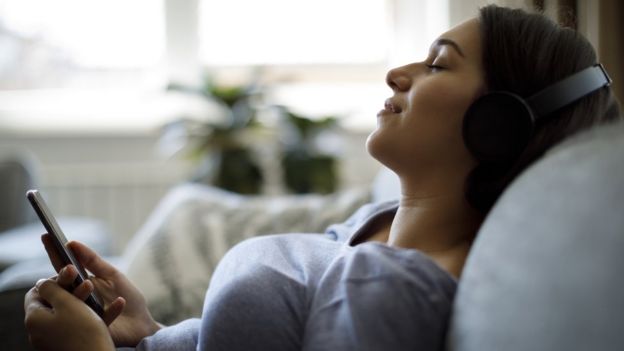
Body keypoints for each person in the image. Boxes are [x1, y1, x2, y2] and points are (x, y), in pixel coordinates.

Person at [23, 5, 621, 351]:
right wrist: (149, 333)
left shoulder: (393, 286)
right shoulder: (375, 227)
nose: (397, 72)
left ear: (498, 125)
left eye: (438, 63)